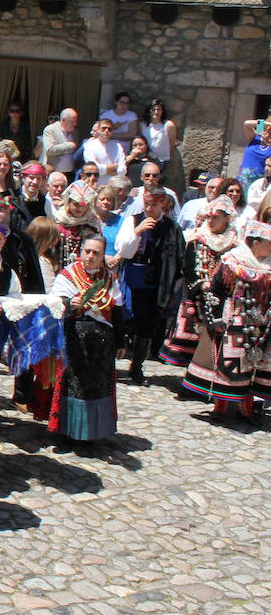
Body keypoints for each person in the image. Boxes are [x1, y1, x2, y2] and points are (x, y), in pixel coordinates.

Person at [182, 222, 271, 420]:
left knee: (253, 366)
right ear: (256, 242)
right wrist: (215, 319)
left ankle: (246, 408)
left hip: (261, 322)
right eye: (269, 242)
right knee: (228, 364)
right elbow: (216, 290)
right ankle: (220, 406)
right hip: (235, 319)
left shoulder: (269, 266)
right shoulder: (233, 261)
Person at [46, 232, 123, 440]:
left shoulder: (108, 278)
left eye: (95, 253)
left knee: (98, 385)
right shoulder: (68, 275)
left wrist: (122, 341)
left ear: (102, 255)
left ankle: (94, 432)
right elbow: (55, 303)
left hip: (102, 343)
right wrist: (70, 304)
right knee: (74, 384)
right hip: (75, 339)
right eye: (87, 251)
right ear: (80, 252)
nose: (90, 256)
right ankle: (69, 431)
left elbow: (117, 309)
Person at [161, 194, 237, 371]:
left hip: (222, 298)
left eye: (216, 217)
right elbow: (188, 267)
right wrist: (200, 284)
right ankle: (189, 379)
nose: (211, 220)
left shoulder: (234, 245)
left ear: (227, 218)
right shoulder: (197, 240)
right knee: (193, 337)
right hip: (197, 296)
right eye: (209, 216)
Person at [115, 188, 184, 384]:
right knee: (127, 317)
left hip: (156, 282)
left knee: (147, 324)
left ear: (162, 203)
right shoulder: (133, 220)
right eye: (146, 204)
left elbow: (177, 257)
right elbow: (124, 251)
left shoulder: (172, 227)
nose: (149, 208)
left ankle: (136, 366)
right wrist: (138, 232)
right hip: (133, 277)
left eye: (153, 205)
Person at [39, 108, 80, 178]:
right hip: (54, 172)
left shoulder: (75, 132)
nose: (75, 124)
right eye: (72, 122)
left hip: (70, 173)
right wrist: (70, 146)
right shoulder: (50, 130)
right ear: (63, 120)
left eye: (76, 121)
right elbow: (49, 150)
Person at [81, 119, 124, 186]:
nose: (106, 131)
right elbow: (93, 169)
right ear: (98, 130)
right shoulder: (89, 146)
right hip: (95, 185)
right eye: (103, 128)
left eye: (109, 129)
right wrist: (114, 167)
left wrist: (102, 170)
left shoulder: (118, 146)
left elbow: (123, 170)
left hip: (113, 186)